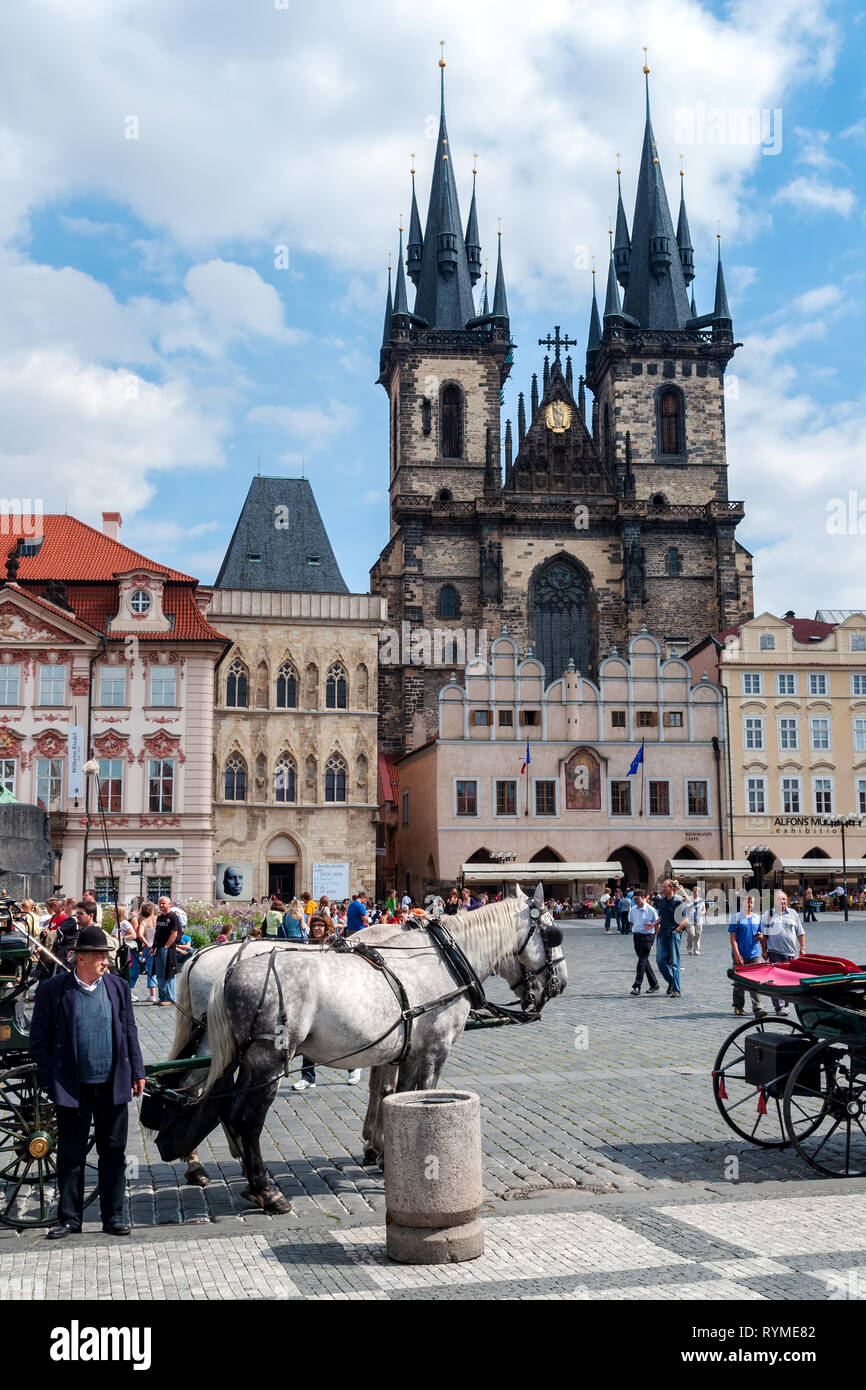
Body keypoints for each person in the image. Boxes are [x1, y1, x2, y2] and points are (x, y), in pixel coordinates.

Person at [30, 925, 145, 1239]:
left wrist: (138, 1071)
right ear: (79, 958)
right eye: (99, 956)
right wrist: (50, 1073)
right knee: (71, 1154)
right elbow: (39, 1040)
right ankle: (69, 1219)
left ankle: (113, 1217)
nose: (105, 961)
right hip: (73, 1086)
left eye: (105, 956)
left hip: (112, 1083)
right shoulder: (54, 990)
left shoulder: (118, 987)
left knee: (114, 1152)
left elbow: (129, 1031)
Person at [761, 891, 805, 1017]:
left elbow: (800, 932)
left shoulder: (793, 914)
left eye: (785, 899)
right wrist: (764, 950)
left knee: (788, 979)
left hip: (790, 953)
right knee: (775, 980)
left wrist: (803, 948)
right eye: (781, 899)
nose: (783, 902)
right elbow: (764, 935)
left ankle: (786, 1004)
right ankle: (779, 1006)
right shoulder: (768, 915)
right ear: (775, 901)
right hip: (774, 952)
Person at [729, 894, 766, 1018]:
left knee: (756, 981)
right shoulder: (736, 917)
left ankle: (758, 1008)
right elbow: (733, 938)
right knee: (739, 982)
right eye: (747, 902)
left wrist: (761, 939)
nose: (749, 905)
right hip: (740, 954)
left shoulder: (757, 918)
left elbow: (760, 934)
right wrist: (737, 954)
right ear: (742, 903)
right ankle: (738, 1006)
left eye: (751, 902)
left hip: (754, 954)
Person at [655, 880, 686, 997]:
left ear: (672, 888)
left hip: (674, 934)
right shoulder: (662, 901)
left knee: (675, 963)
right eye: (662, 886)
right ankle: (673, 982)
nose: (662, 889)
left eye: (664, 887)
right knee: (660, 960)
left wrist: (676, 930)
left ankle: (676, 990)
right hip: (662, 934)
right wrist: (654, 924)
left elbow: (685, 920)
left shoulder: (679, 901)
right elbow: (662, 917)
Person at [628, 890, 661, 996]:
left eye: (638, 899)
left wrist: (653, 939)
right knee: (644, 961)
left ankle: (637, 986)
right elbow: (632, 922)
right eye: (634, 899)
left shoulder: (651, 910)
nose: (636, 901)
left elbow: (657, 924)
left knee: (641, 962)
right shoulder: (633, 910)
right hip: (637, 936)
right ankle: (654, 984)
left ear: (643, 897)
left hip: (648, 937)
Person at [153, 896, 181, 1005]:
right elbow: (157, 933)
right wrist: (153, 947)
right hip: (158, 948)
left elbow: (174, 933)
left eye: (163, 903)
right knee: (159, 974)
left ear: (169, 904)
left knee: (169, 973)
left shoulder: (173, 917)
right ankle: (162, 998)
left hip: (168, 949)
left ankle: (171, 999)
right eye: (159, 903)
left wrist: (167, 946)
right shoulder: (159, 918)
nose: (161, 905)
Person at [139, 900, 158, 1004]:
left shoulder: (144, 922)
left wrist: (145, 942)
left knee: (151, 970)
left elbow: (139, 935)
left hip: (149, 947)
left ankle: (152, 994)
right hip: (158, 947)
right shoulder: (158, 919)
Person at [685, 886, 706, 955]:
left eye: (696, 891)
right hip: (690, 919)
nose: (694, 892)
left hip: (699, 919)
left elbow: (704, 910)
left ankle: (696, 949)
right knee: (691, 934)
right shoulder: (689, 899)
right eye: (693, 890)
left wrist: (701, 913)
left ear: (699, 893)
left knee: (698, 934)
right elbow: (686, 908)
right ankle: (689, 947)